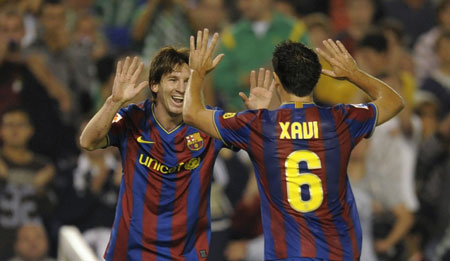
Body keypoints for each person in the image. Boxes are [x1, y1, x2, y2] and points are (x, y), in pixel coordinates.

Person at [184, 28, 404, 260]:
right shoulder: (341, 120)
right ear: (317, 77)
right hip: (341, 253)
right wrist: (353, 74)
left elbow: (191, 113)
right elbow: (394, 101)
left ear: (277, 79)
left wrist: (197, 72)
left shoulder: (258, 126)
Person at [79, 47, 273, 259]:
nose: (181, 88)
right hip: (130, 252)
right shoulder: (132, 118)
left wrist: (260, 118)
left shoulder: (208, 122)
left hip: (184, 254)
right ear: (155, 85)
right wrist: (114, 101)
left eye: (188, 81)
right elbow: (88, 141)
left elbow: (264, 147)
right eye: (172, 80)